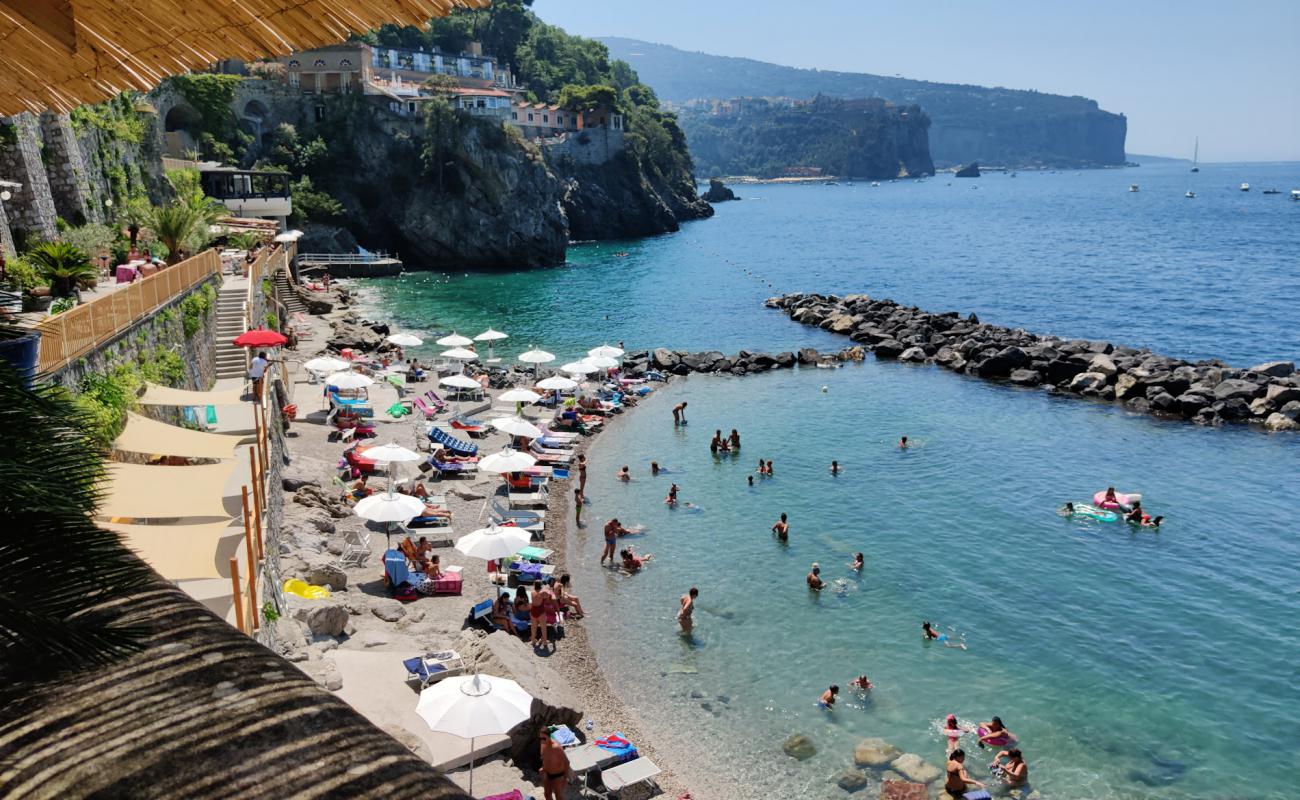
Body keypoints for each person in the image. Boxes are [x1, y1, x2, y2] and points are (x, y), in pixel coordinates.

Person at [539, 727, 572, 800]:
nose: (542, 740)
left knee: (558, 796)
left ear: (549, 736)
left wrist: (565, 779)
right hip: (547, 773)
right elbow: (544, 758)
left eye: (544, 738)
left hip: (558, 775)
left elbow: (566, 762)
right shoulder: (542, 745)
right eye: (540, 738)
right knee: (547, 794)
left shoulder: (556, 747)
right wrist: (543, 768)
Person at [529, 579, 549, 648]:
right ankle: (545, 642)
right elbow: (549, 595)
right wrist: (545, 588)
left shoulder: (532, 592)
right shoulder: (542, 593)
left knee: (533, 627)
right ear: (540, 585)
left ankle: (533, 640)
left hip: (533, 610)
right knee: (543, 628)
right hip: (540, 611)